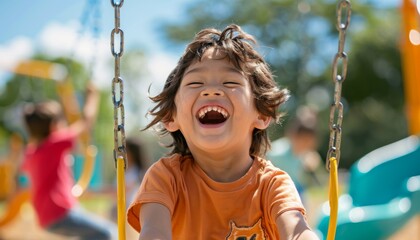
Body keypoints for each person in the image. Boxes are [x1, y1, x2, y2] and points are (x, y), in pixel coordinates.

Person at [127, 24, 319, 239]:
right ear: (171, 117)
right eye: (195, 82)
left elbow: (297, 232)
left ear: (262, 114)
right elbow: (154, 232)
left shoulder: (272, 184)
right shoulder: (166, 178)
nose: (211, 90)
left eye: (230, 82)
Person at [20, 83, 117, 240]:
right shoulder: (54, 143)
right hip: (61, 212)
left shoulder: (31, 152)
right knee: (107, 232)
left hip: (45, 218)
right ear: (53, 126)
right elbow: (85, 124)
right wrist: (93, 97)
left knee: (89, 235)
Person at [267, 106, 323, 204]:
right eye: (303, 140)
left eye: (308, 142)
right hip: (278, 189)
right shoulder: (278, 152)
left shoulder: (306, 155)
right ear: (293, 136)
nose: (305, 145)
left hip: (297, 189)